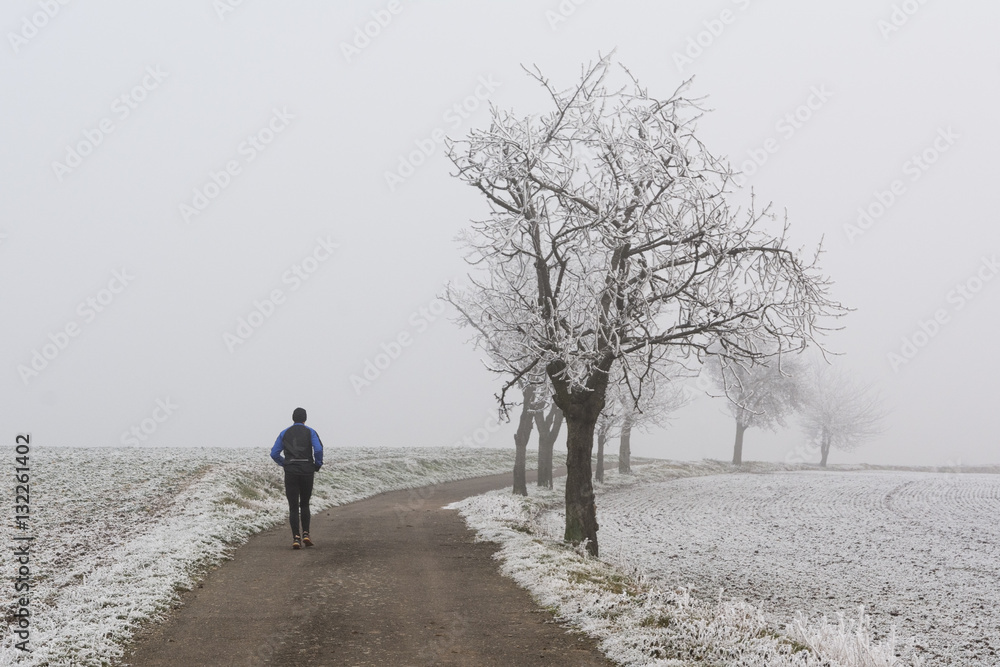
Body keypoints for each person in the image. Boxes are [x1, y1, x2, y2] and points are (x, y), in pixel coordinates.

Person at [270, 407, 323, 549]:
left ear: (293, 418)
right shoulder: (310, 432)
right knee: (304, 504)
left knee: (293, 507)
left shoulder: (284, 432)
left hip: (291, 472)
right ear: (305, 419)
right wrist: (317, 464)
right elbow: (318, 449)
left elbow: (274, 453)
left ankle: (296, 538)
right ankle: (306, 533)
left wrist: (285, 463)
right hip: (307, 471)